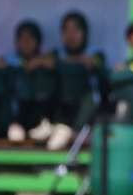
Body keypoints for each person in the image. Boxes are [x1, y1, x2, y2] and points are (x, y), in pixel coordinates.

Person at [32, 11, 107, 151]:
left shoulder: (96, 53)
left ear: (84, 33)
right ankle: (48, 123)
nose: (70, 35)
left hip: (86, 107)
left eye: (75, 30)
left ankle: (72, 132)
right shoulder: (57, 52)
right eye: (66, 30)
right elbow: (37, 62)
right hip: (61, 108)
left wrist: (62, 63)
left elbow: (91, 63)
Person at [0, 20, 55, 144]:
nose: (25, 42)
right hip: (9, 115)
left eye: (30, 38)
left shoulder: (46, 59)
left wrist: (34, 64)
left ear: (38, 41)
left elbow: (52, 62)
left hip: (34, 115)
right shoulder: (10, 58)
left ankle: (33, 123)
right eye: (22, 38)